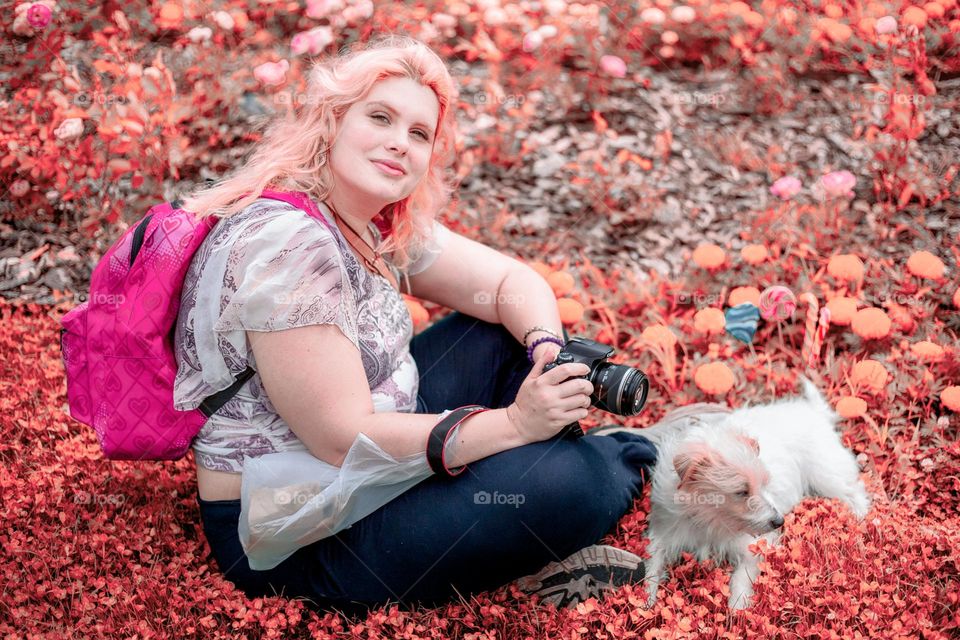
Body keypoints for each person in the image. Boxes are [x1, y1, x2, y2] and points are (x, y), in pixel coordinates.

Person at [172, 34, 657, 616]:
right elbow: (340, 439)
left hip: (373, 463)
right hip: (298, 528)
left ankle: (522, 479)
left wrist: (547, 351)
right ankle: (629, 455)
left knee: (507, 336)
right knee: (571, 484)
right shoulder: (289, 246)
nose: (399, 143)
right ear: (331, 121)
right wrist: (514, 424)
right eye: (380, 117)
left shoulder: (364, 218)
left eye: (419, 133)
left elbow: (511, 283)